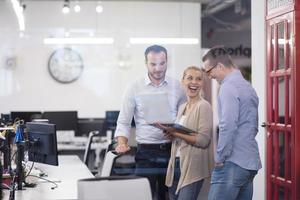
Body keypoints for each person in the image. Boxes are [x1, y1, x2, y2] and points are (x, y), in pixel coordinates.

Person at [114, 44, 186, 200]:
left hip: (172, 152)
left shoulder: (178, 87)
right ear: (146, 63)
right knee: (144, 195)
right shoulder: (134, 87)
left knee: (168, 196)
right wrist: (121, 142)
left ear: (167, 62)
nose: (158, 68)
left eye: (162, 63)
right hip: (146, 153)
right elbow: (124, 122)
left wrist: (177, 132)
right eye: (153, 64)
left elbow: (186, 118)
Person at [202, 46, 262, 200]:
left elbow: (228, 126)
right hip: (249, 162)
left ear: (220, 66)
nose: (209, 76)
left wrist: (220, 158)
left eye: (209, 71)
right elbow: (253, 126)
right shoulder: (247, 87)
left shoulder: (228, 87)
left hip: (233, 163)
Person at [155, 66, 214, 200]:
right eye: (190, 78)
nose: (194, 82)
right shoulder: (182, 106)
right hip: (175, 164)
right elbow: (182, 135)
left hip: (192, 168)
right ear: (182, 81)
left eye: (198, 79)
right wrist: (171, 134)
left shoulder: (204, 106)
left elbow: (203, 140)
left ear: (202, 83)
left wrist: (176, 134)